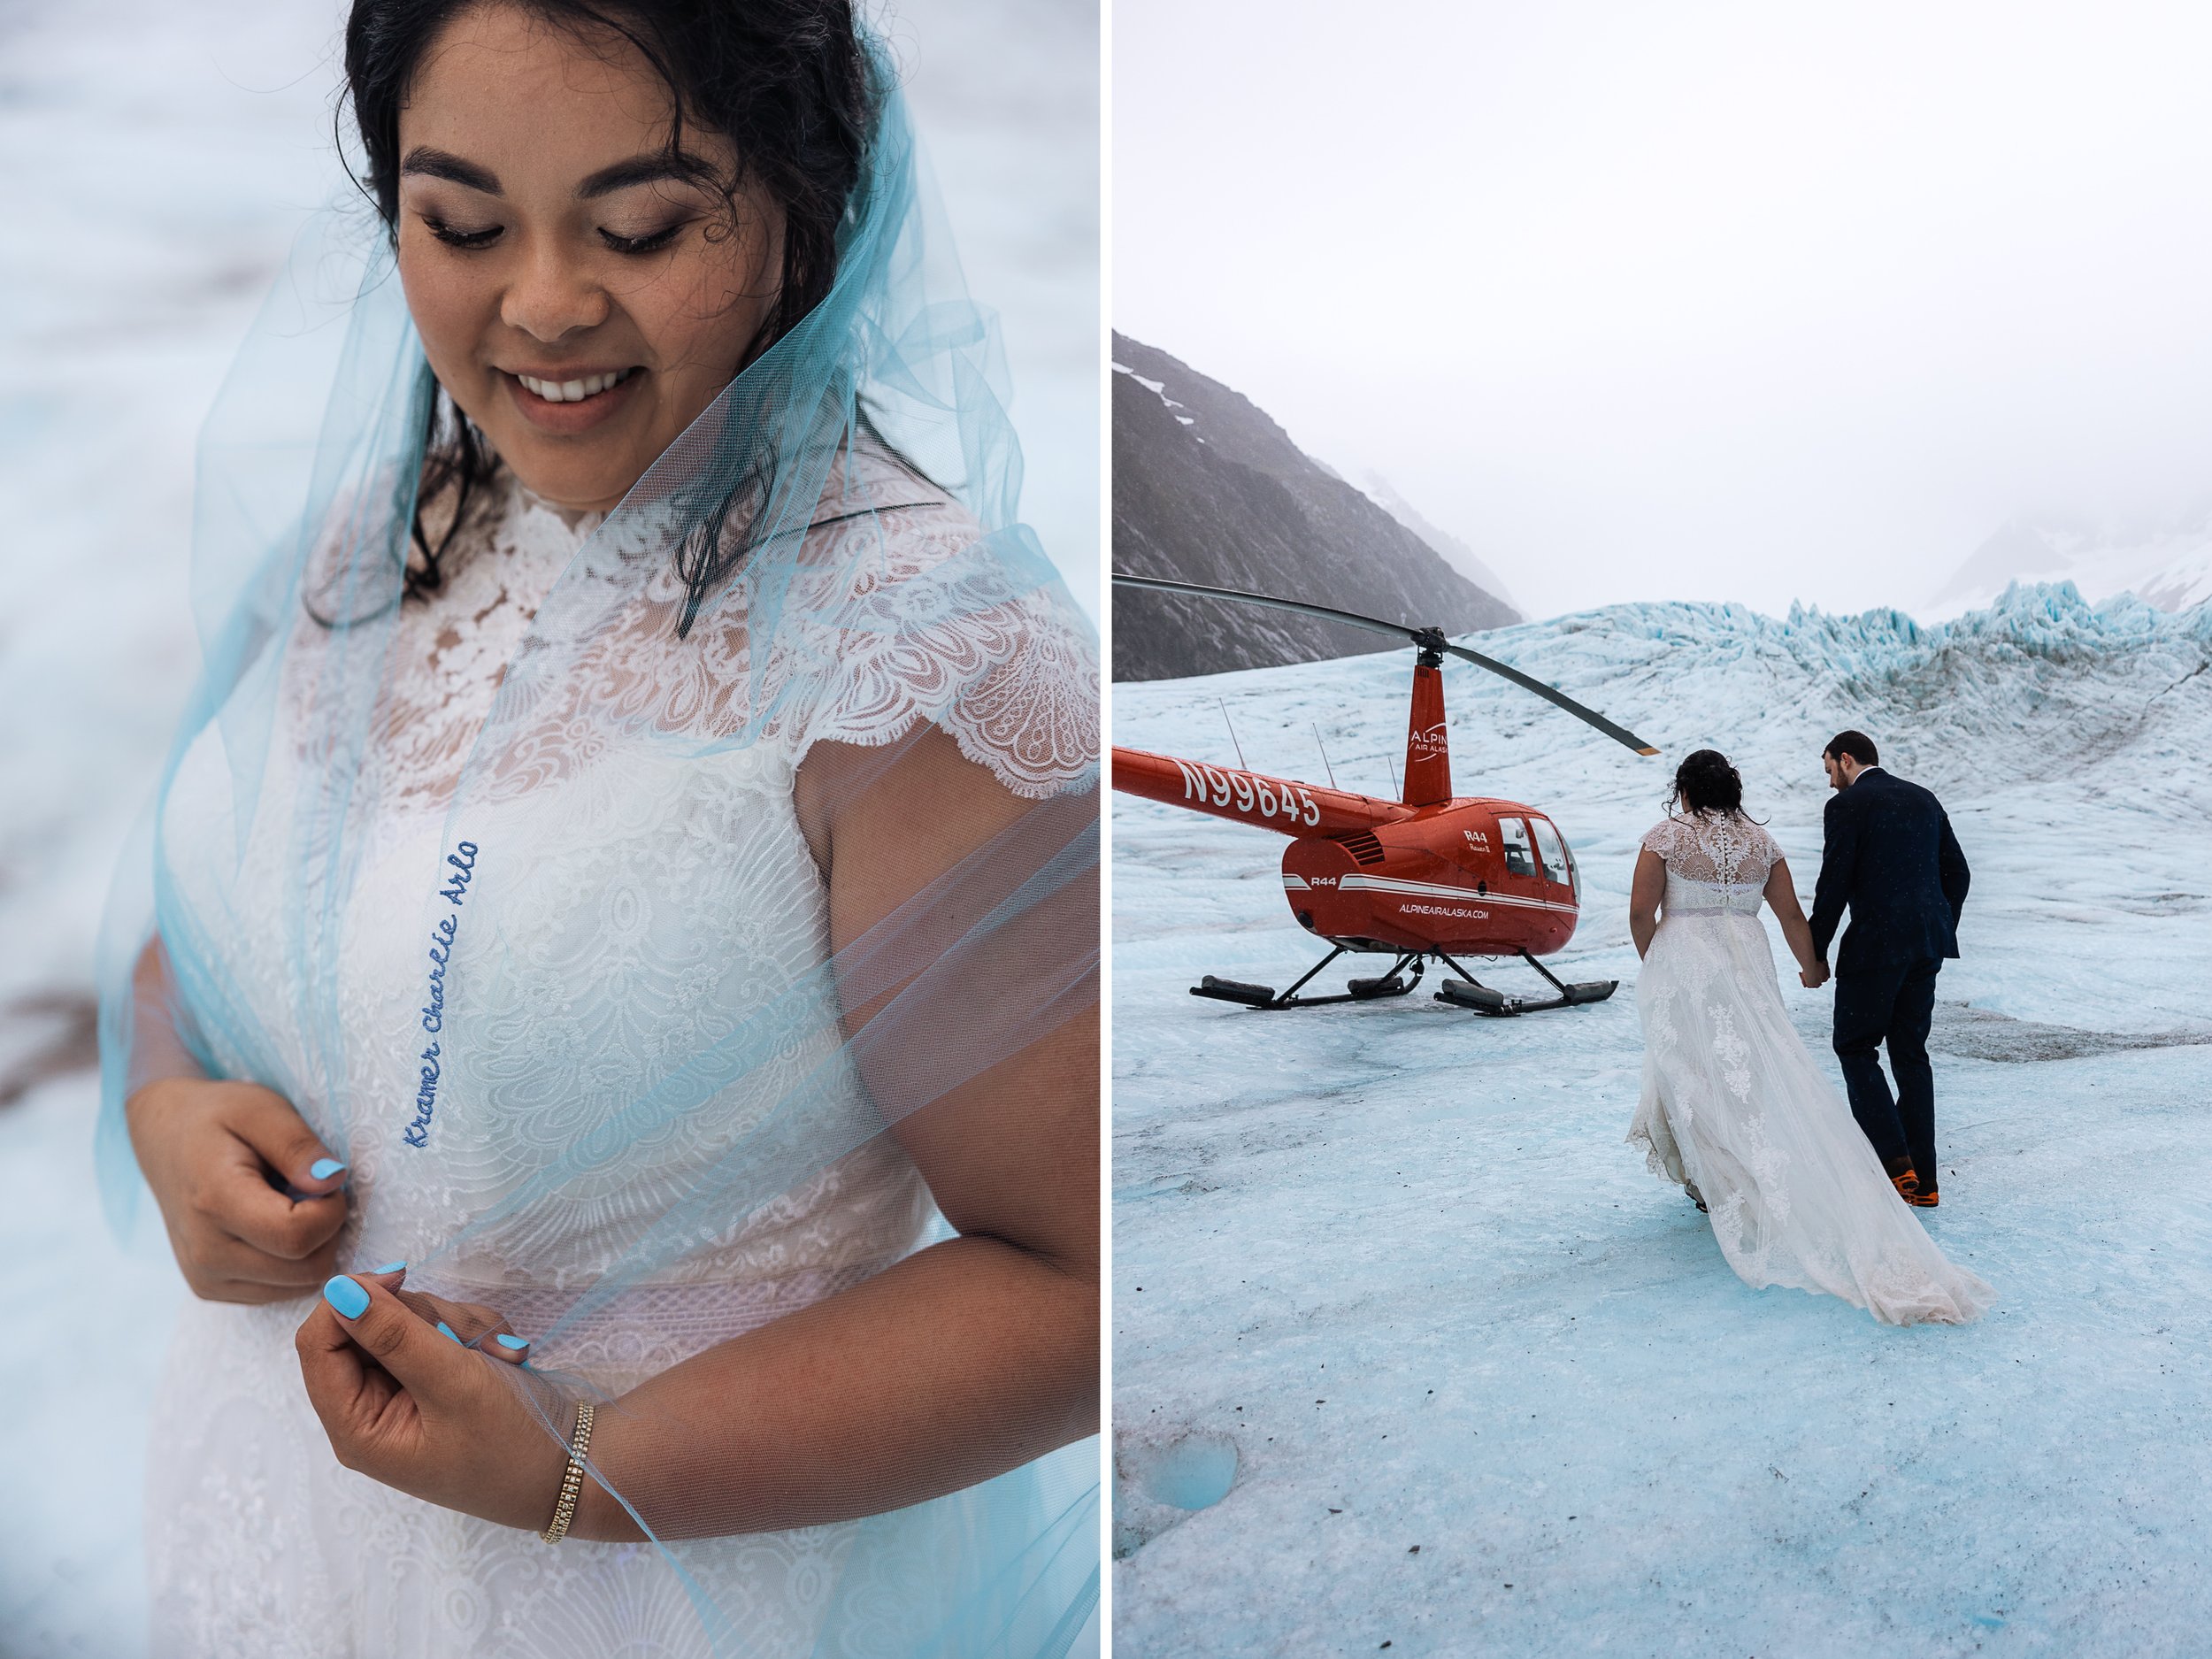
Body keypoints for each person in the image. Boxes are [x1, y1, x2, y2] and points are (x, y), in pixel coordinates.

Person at [96, 4, 1100, 1654]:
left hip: (663, 1582)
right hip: (272, 1534)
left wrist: (585, 1466)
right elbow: (221, 932)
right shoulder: (390, 529)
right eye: (462, 223)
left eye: (641, 225)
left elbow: (1072, 1286)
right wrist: (170, 1117)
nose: (546, 307)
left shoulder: (918, 670)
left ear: (802, 206)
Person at [1626, 749, 1991, 1325]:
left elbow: (1642, 912)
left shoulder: (1664, 837)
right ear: (1732, 789)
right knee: (1758, 1072)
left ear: (1686, 791)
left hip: (1685, 966)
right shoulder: (1761, 844)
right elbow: (1793, 915)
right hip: (1747, 963)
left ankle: (1716, 1181)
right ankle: (1744, 1176)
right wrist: (1813, 965)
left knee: (1692, 1072)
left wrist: (1659, 964)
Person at [1808, 728, 1971, 1207]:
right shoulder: (1924, 798)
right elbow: (1958, 874)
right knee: (1910, 1054)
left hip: (1876, 946)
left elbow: (1833, 885)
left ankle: (1895, 1168)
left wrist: (1816, 952)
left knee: (1855, 1046)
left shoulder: (1847, 807)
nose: (1831, 784)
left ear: (1845, 759)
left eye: (1829, 771)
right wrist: (1937, 926)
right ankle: (1926, 1180)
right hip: (1928, 946)